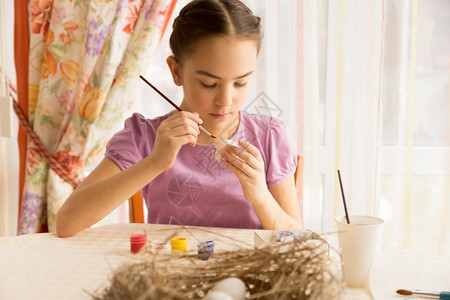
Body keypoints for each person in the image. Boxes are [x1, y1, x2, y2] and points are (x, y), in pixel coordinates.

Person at [56, 0, 301, 237]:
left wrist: (260, 196)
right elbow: (67, 222)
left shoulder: (269, 137)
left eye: (241, 82)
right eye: (209, 83)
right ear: (176, 71)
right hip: (168, 276)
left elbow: (298, 237)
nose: (225, 100)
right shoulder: (146, 137)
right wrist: (155, 163)